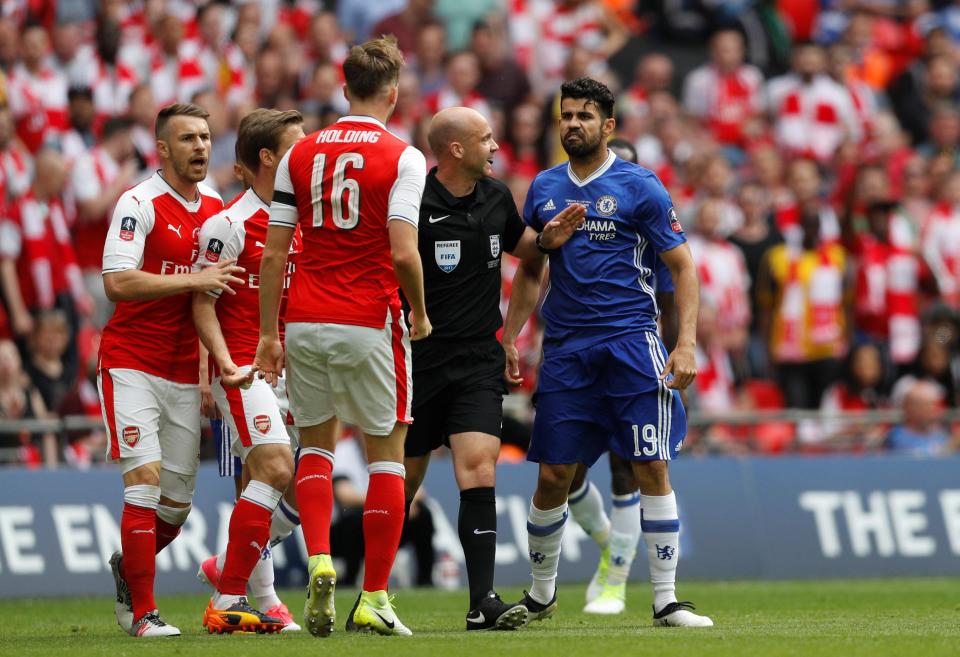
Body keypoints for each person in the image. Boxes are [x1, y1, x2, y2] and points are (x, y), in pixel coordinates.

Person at [502, 77, 712, 628]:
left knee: (650, 467)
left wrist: (685, 343)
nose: (573, 124)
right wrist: (510, 337)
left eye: (585, 116)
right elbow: (530, 268)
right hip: (566, 350)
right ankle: (542, 595)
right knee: (554, 477)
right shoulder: (544, 188)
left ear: (608, 126)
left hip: (630, 344)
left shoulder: (641, 186)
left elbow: (683, 267)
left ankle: (666, 600)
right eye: (567, 115)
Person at [255, 35, 430, 638]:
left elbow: (276, 252)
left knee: (317, 446)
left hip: (304, 317)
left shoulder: (298, 156)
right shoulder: (403, 156)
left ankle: (321, 557)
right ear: (394, 90)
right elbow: (405, 253)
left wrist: (267, 335)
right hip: (369, 318)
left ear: (343, 84)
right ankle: (375, 595)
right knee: (388, 453)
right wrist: (421, 313)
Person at [403, 106, 584, 630]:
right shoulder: (412, 202)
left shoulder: (496, 195)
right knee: (404, 482)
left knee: (479, 468)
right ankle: (372, 594)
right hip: (419, 358)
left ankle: (482, 601)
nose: (495, 147)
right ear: (456, 149)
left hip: (478, 359)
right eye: (486, 139)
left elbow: (521, 246)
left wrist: (548, 237)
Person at [99, 103, 240, 638]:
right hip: (131, 361)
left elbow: (214, 300)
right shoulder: (138, 203)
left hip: (186, 371)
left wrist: (208, 369)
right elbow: (118, 281)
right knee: (144, 484)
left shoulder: (215, 206)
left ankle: (126, 568)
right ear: (162, 148)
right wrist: (190, 280)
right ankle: (144, 614)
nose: (201, 147)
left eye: (205, 137)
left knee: (175, 509)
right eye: (187, 139)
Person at [191, 108, 306, 634]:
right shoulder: (228, 224)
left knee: (295, 488)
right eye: (295, 147)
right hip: (244, 367)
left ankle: (253, 585)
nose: (305, 155)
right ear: (268, 158)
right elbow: (202, 302)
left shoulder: (303, 219)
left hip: (299, 368)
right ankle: (230, 597)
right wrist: (218, 367)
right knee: (277, 469)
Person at [564, 136, 682, 616]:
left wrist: (674, 362)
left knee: (629, 466)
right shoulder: (574, 214)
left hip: (634, 355)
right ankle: (615, 543)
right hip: (573, 353)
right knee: (564, 472)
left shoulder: (652, 226)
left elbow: (672, 297)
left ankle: (616, 579)